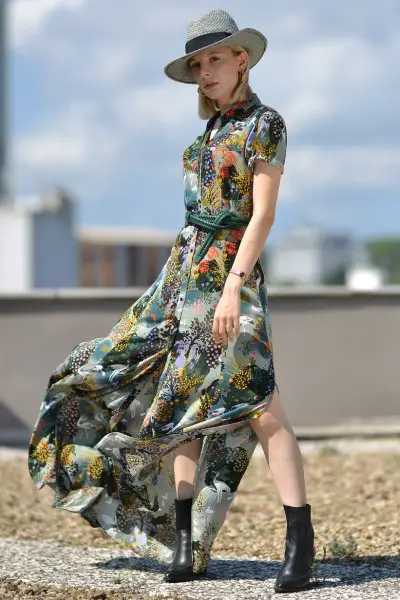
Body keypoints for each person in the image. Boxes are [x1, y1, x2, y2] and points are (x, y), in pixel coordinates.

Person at [27, 8, 315, 595]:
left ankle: (300, 546)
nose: (205, 71)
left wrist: (234, 284)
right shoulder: (204, 135)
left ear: (243, 59)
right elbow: (192, 225)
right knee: (181, 407)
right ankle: (184, 543)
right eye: (198, 64)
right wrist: (174, 288)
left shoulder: (266, 124)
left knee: (260, 407)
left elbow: (262, 215)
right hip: (185, 280)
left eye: (215, 59)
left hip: (232, 278)